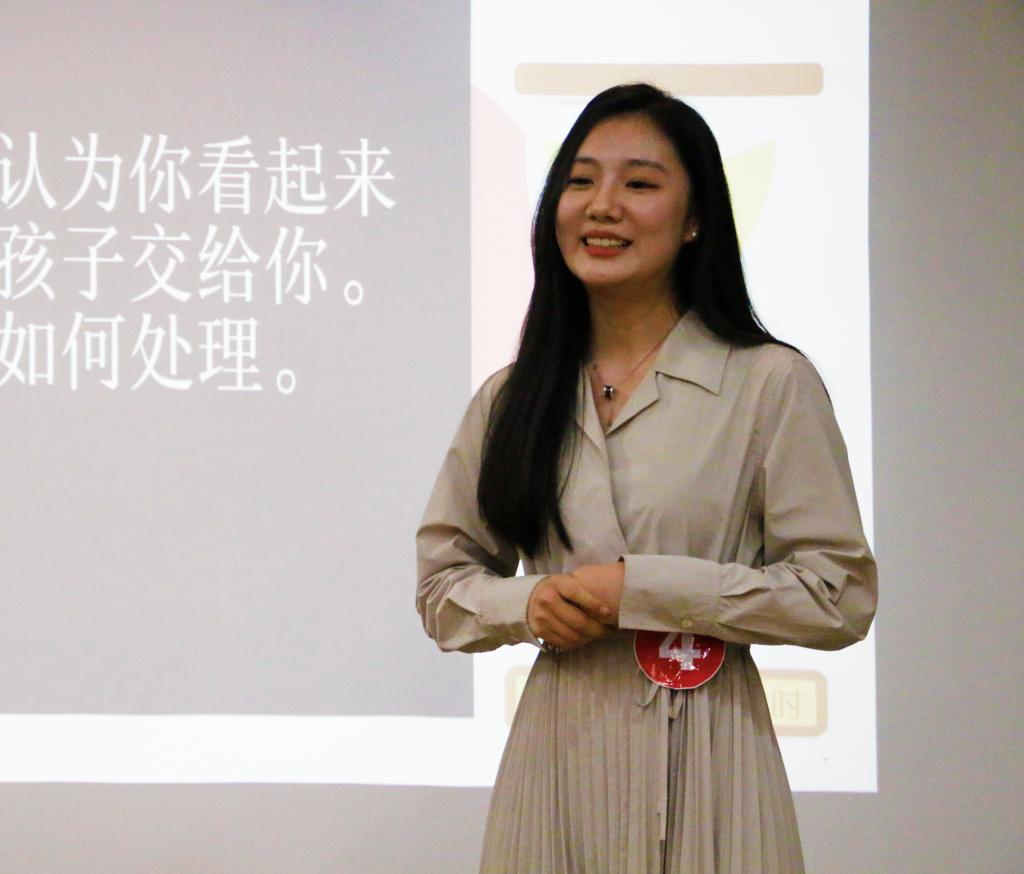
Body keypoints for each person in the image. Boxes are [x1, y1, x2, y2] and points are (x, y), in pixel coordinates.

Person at [416, 83, 877, 874]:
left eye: (638, 183)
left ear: (696, 220)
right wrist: (527, 602)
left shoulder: (768, 382)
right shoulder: (512, 395)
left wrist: (648, 589)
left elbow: (839, 595)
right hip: (556, 762)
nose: (602, 206)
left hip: (713, 755)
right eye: (580, 180)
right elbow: (442, 587)